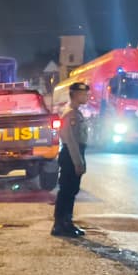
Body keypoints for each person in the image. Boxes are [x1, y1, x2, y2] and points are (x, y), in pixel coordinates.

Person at [52, 81, 90, 238]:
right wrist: (78, 162)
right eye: (83, 94)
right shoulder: (71, 114)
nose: (87, 97)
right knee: (67, 191)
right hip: (71, 155)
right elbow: (71, 141)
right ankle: (61, 224)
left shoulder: (75, 112)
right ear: (75, 95)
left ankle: (66, 222)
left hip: (73, 154)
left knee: (71, 190)